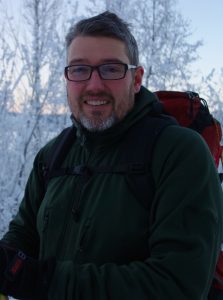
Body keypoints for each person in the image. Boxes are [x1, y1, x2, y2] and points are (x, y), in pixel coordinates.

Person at [0, 11, 223, 300]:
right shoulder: (52, 155)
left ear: (136, 78)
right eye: (79, 69)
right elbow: (23, 236)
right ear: (67, 78)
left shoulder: (179, 153)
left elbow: (177, 286)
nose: (94, 85)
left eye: (111, 69)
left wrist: (40, 281)